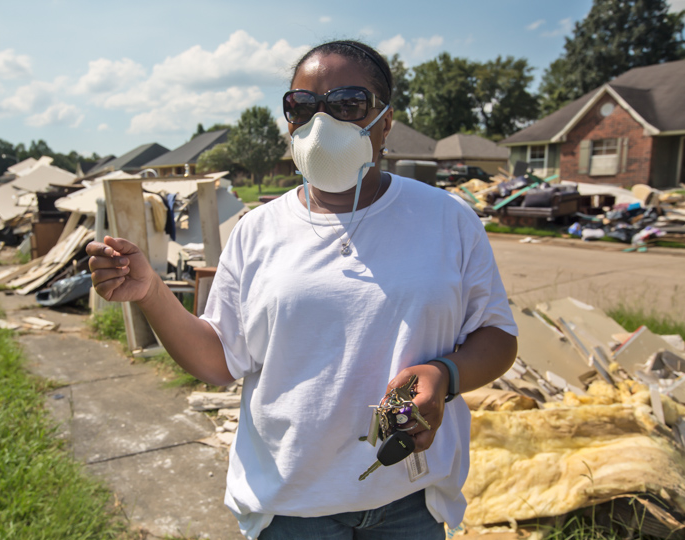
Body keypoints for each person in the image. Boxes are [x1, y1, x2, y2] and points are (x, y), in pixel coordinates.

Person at [87, 40, 518, 540]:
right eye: (302, 107)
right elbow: (217, 360)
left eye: (347, 105)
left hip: (408, 500)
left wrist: (444, 374)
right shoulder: (258, 229)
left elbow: (498, 336)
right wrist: (151, 293)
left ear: (385, 121)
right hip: (292, 505)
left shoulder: (447, 219)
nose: (322, 124)